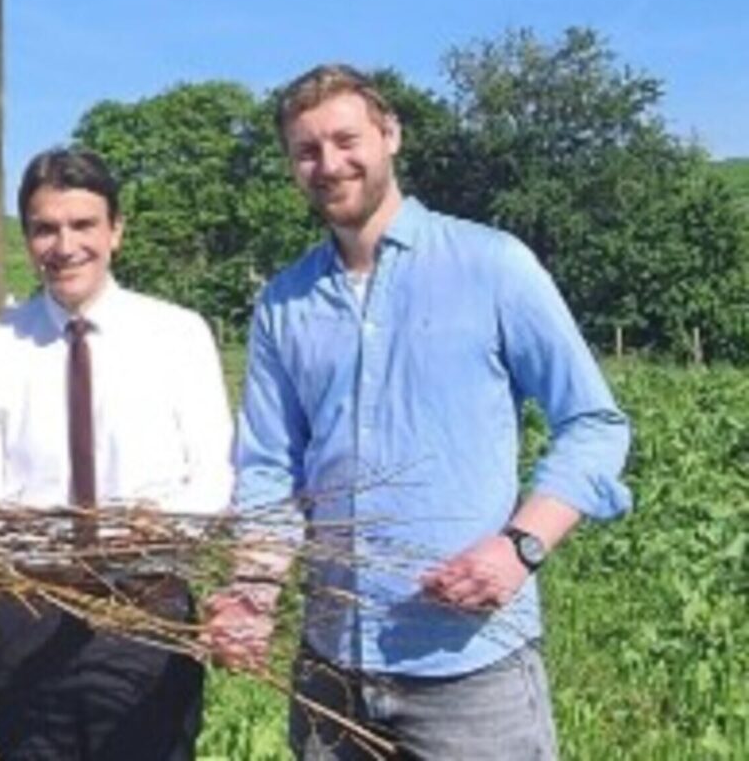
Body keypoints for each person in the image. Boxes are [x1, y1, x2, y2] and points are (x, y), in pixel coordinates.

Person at [206, 64, 632, 759]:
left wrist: (520, 546)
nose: (329, 164)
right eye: (306, 151)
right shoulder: (283, 303)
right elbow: (269, 470)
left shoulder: (493, 265)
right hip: (333, 668)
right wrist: (252, 593)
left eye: (346, 140)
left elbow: (593, 422)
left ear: (391, 135)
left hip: (471, 669)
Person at [0, 146, 235, 759]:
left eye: (82, 225)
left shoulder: (178, 335)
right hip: (27, 611)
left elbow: (213, 473)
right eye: (45, 228)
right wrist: (26, 545)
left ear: (116, 231)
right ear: (27, 238)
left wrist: (160, 527)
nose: (64, 245)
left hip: (148, 604)